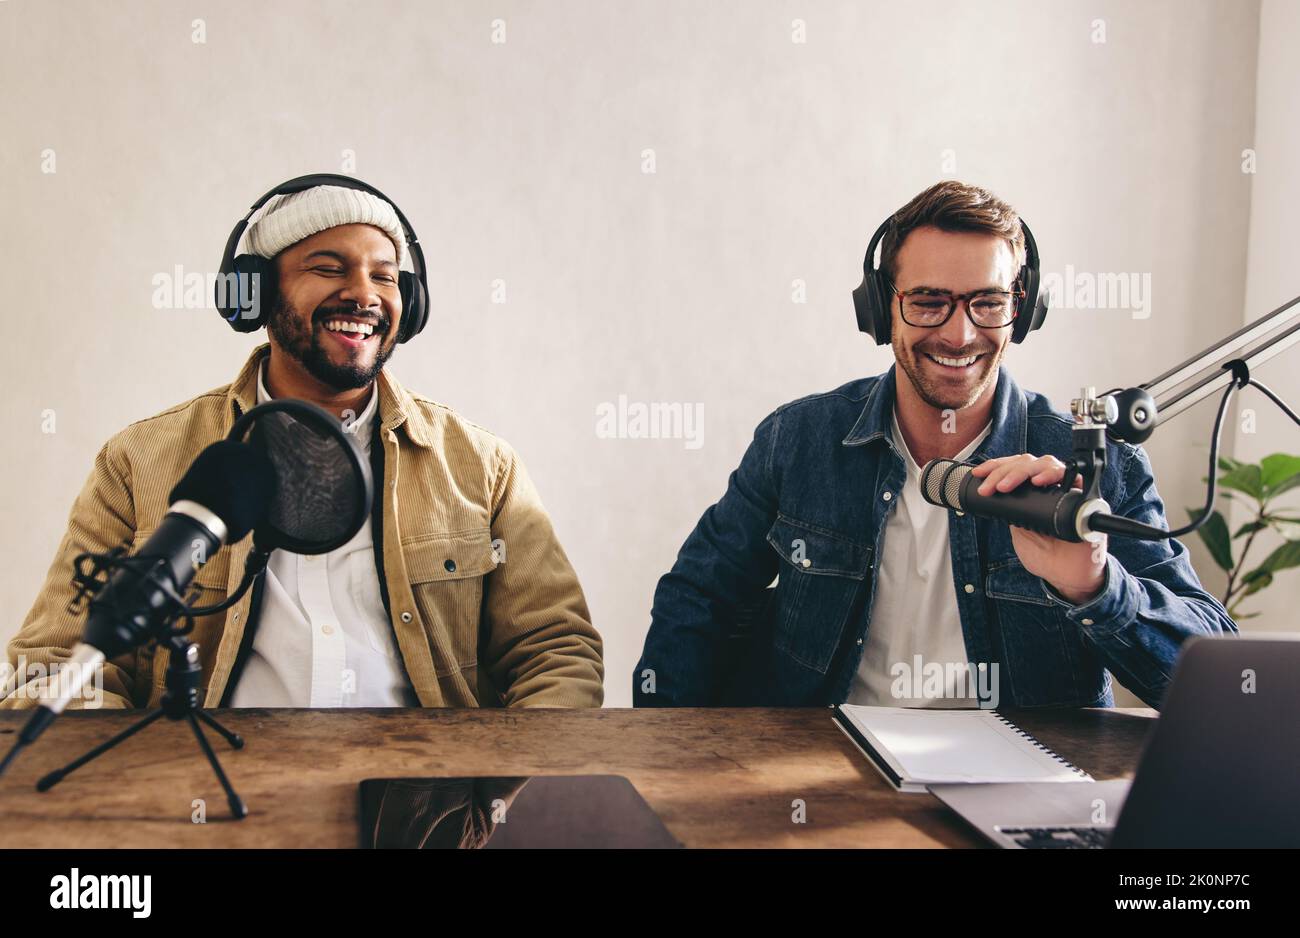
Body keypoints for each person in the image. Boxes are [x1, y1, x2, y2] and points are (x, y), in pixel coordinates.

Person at [2, 177, 603, 711]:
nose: (363, 294)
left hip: (417, 816)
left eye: (385, 276)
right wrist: (141, 795)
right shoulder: (138, 462)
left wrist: (488, 793)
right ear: (258, 293)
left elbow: (555, 650)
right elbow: (56, 661)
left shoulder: (483, 468)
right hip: (209, 807)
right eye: (329, 268)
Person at [634, 180, 1235, 710]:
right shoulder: (797, 441)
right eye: (928, 301)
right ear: (880, 310)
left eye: (987, 302)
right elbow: (698, 598)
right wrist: (670, 765)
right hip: (823, 776)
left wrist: (1098, 588)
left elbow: (1222, 683)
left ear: (1021, 312)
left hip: (1023, 797)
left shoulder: (1095, 468)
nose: (959, 332)